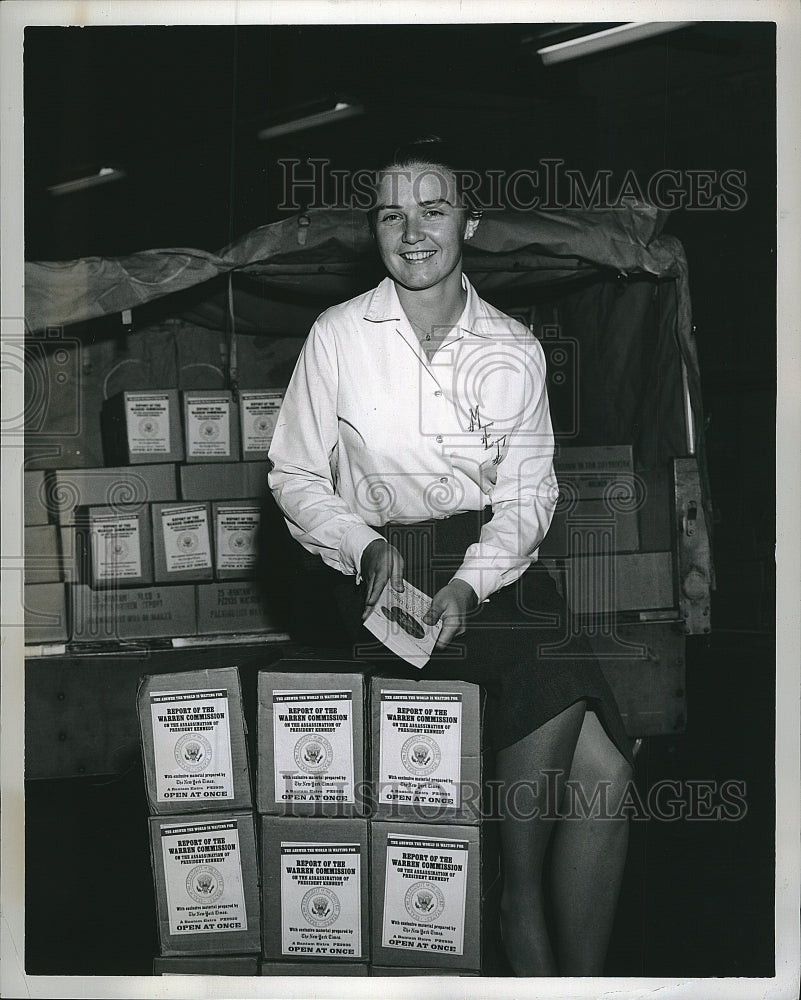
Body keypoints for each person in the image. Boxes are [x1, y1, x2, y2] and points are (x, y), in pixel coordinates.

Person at [268, 136, 634, 976]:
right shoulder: (338, 336)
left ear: (470, 220)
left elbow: (529, 494)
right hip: (382, 579)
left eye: (433, 210)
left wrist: (473, 583)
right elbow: (292, 471)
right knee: (525, 848)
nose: (412, 231)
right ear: (374, 229)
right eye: (391, 213)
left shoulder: (512, 345)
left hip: (493, 576)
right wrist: (361, 547)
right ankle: (522, 930)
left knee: (605, 778)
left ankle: (575, 980)